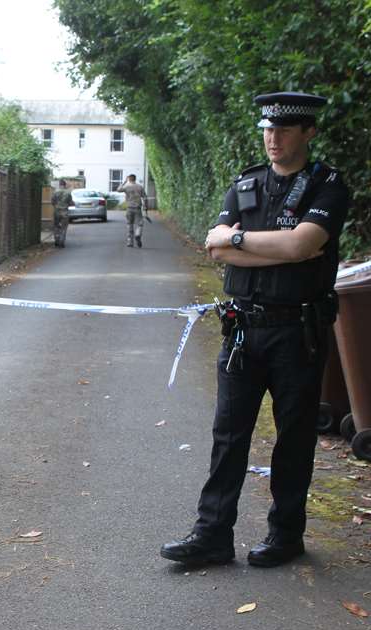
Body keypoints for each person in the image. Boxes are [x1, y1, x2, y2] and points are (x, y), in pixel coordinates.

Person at [161, 92, 350, 568]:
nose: (273, 138)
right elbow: (216, 249)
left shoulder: (327, 185)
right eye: (267, 129)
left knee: (294, 437)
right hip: (243, 329)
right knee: (228, 435)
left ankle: (285, 536)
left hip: (297, 333)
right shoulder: (247, 182)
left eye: (284, 130)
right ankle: (212, 536)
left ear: (308, 132)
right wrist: (276, 247)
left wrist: (241, 239)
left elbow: (304, 245)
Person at [117, 174, 147, 247]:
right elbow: (145, 198)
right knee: (140, 224)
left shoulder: (126, 187)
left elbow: (118, 189)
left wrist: (124, 182)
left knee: (129, 224)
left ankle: (130, 242)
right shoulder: (140, 187)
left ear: (129, 179)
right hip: (137, 208)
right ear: (135, 179)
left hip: (129, 208)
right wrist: (145, 207)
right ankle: (138, 234)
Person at [50, 178, 74, 247]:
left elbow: (52, 202)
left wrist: (57, 206)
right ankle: (62, 242)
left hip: (57, 212)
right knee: (64, 227)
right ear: (65, 185)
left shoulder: (55, 192)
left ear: (60, 185)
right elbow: (70, 203)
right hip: (65, 212)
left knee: (56, 226)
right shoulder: (68, 193)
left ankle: (56, 241)